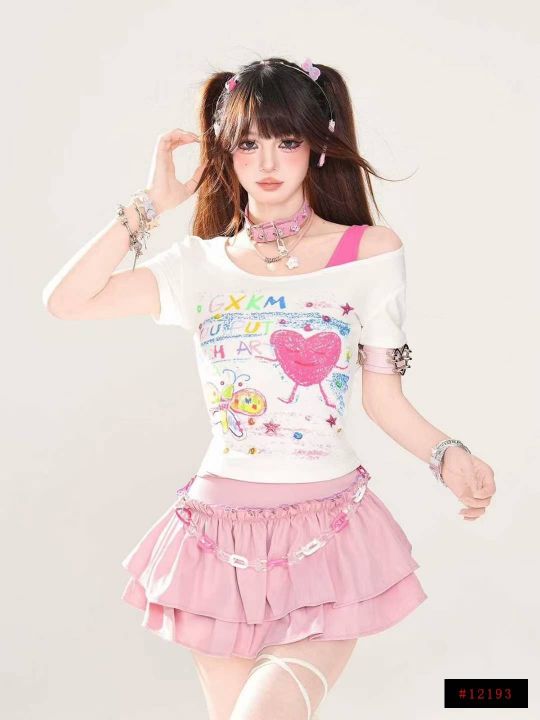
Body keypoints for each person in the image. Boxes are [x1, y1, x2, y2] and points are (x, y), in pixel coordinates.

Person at [43, 56, 496, 720]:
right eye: (249, 143)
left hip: (328, 533)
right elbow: (67, 302)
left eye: (286, 140)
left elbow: (383, 398)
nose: (267, 162)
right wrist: (151, 205)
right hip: (216, 539)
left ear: (317, 145)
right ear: (226, 151)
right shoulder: (200, 266)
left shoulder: (368, 253)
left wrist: (447, 454)